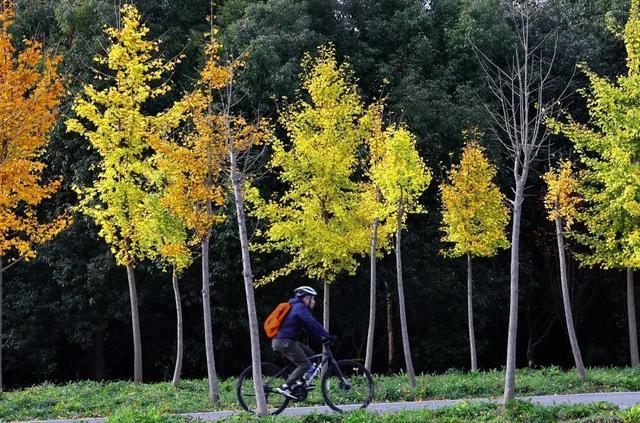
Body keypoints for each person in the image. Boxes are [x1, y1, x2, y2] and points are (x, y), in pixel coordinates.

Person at [272, 285, 336, 400]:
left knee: (310, 353)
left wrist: (322, 339)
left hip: (284, 341)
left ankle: (302, 381)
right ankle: (285, 386)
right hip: (285, 342)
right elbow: (312, 323)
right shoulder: (300, 308)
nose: (314, 302)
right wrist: (328, 336)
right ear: (306, 298)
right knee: (304, 364)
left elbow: (309, 329)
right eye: (313, 298)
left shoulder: (295, 307)